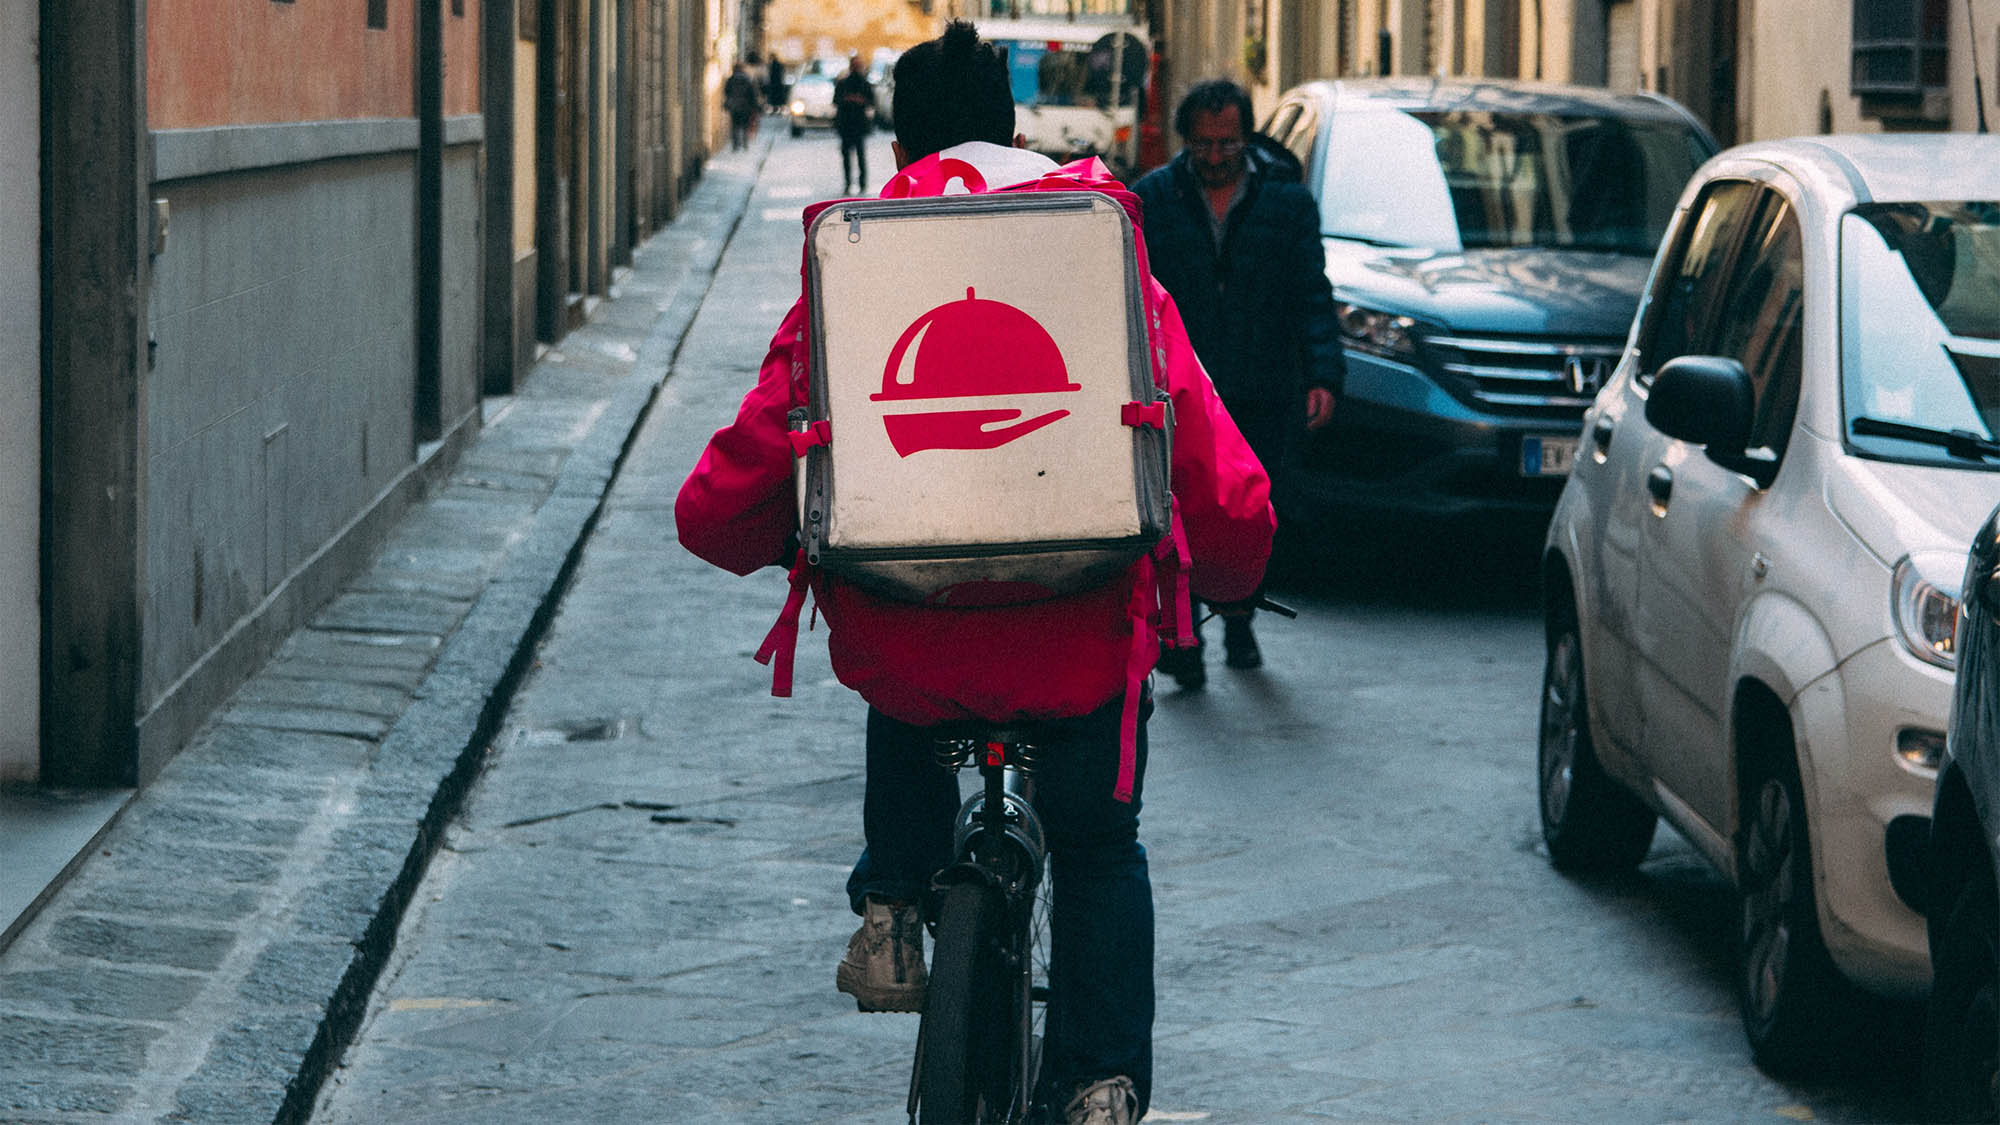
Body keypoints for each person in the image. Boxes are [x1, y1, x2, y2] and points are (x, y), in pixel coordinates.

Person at [675, 22, 1273, 1125]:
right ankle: (1098, 1077)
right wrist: (1232, 568)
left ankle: (893, 911)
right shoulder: (1100, 246)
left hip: (912, 650)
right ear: (1009, 125)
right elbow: (1208, 460)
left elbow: (754, 462)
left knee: (900, 661)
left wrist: (749, 534)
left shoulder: (857, 262)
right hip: (1079, 640)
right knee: (1097, 844)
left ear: (901, 133)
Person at [1132, 78, 1345, 688]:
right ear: (1186, 141)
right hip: (1185, 393)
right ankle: (1187, 639)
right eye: (1204, 145)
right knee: (1185, 515)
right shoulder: (1155, 200)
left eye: (1227, 143)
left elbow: (1311, 292)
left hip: (1265, 383)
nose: (1217, 156)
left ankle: (1241, 620)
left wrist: (1324, 373)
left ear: (1245, 137)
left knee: (1253, 514)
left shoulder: (1287, 202)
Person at [833, 53, 874, 194]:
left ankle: (862, 183)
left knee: (860, 155)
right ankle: (848, 183)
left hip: (858, 124)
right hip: (846, 123)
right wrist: (849, 100)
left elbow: (871, 101)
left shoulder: (864, 83)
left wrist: (859, 100)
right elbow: (836, 100)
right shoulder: (843, 83)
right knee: (848, 156)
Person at [723, 61, 758, 151]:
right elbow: (752, 94)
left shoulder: (731, 79)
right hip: (745, 106)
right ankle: (745, 144)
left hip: (734, 106)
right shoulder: (747, 79)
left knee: (735, 125)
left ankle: (735, 145)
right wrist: (754, 106)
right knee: (745, 125)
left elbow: (726, 92)